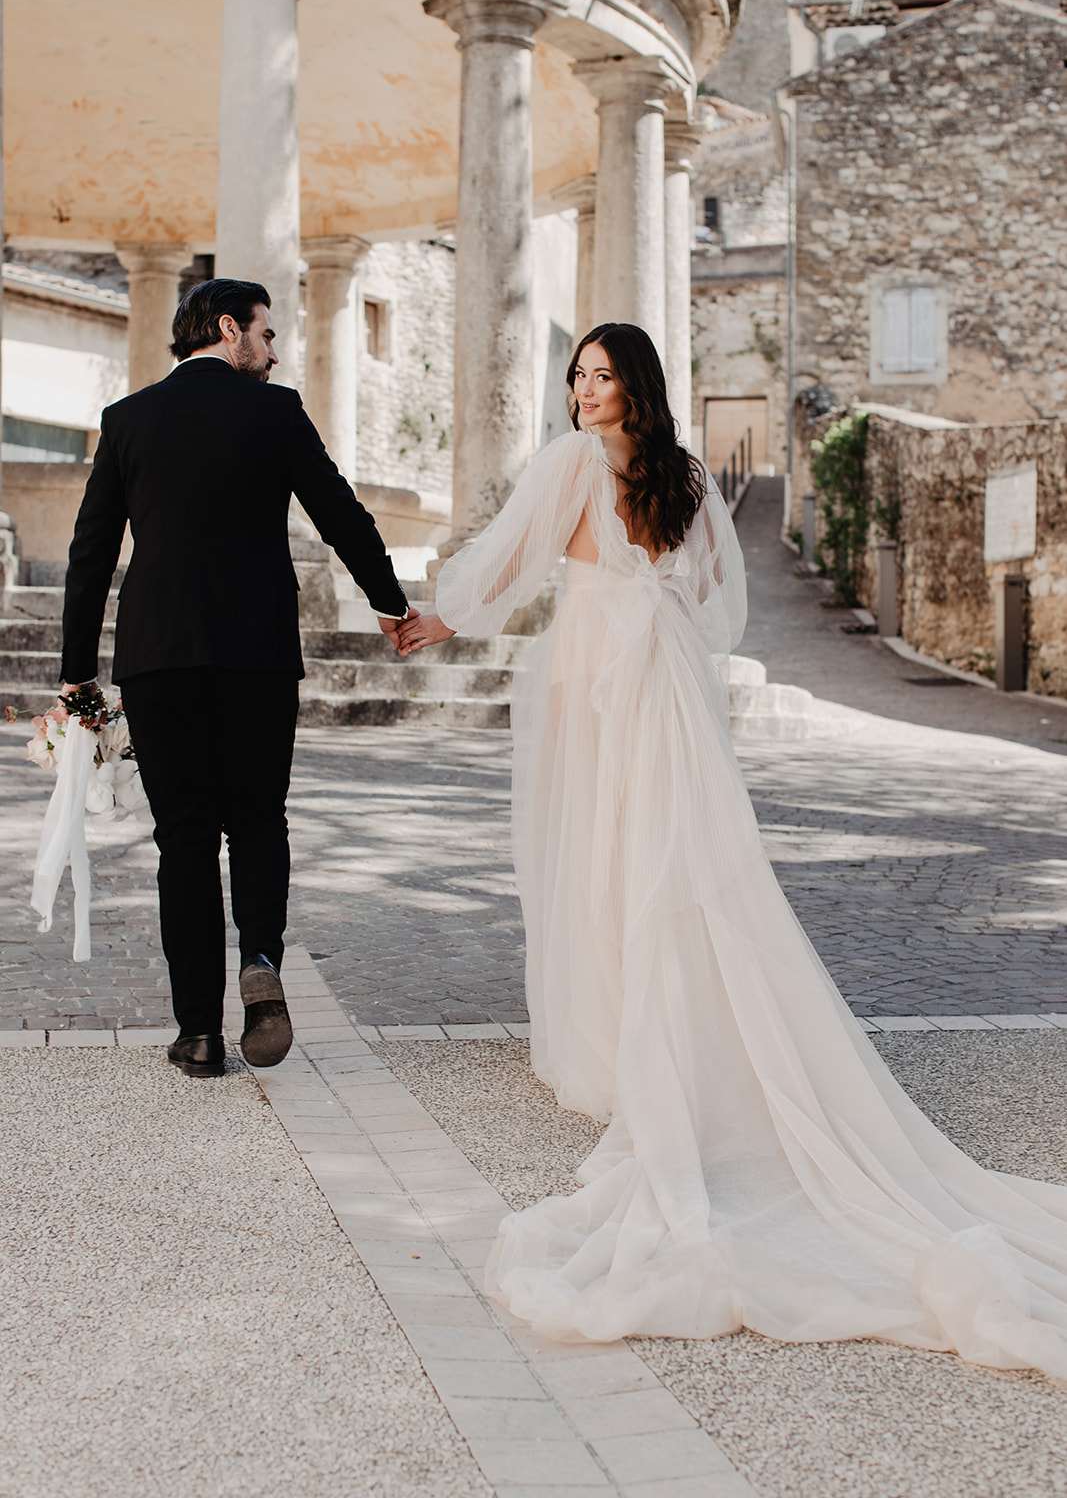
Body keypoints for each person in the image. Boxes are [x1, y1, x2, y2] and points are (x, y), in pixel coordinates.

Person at [397, 322, 1067, 1380]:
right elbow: (719, 602)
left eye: (600, 376)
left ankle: (623, 1038)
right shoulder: (683, 473)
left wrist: (439, 618)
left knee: (607, 852)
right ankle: (672, 1025)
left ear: (632, 388)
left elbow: (511, 560)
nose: (583, 391)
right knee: (677, 856)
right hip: (661, 675)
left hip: (599, 673)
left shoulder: (572, 464)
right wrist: (643, 605)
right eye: (577, 375)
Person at [60, 278, 415, 1078]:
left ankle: (198, 1033)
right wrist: (389, 605)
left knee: (183, 839)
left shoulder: (127, 420)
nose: (276, 349)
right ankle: (260, 960)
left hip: (159, 656)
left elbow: (90, 557)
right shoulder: (274, 411)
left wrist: (77, 674)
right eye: (267, 332)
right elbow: (341, 516)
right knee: (258, 820)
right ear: (229, 329)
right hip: (255, 651)